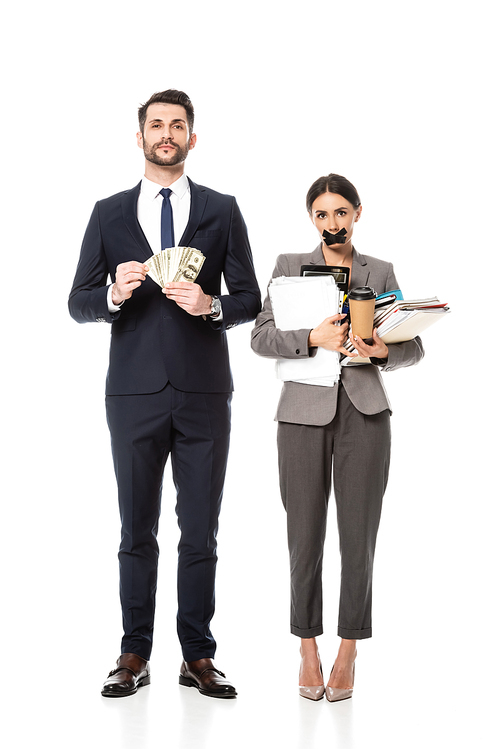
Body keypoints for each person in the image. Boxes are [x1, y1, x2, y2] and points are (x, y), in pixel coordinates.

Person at [69, 89, 261, 699]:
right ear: (140, 137)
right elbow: (77, 301)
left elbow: (251, 298)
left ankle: (197, 656)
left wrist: (212, 306)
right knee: (135, 530)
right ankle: (133, 651)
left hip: (205, 390)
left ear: (192, 138)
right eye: (157, 125)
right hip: (131, 393)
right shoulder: (107, 213)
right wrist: (112, 295)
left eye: (178, 125)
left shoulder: (222, 209)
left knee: (201, 529)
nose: (167, 134)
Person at [251, 174, 424, 702]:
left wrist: (381, 353)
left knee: (359, 539)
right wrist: (311, 338)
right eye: (322, 214)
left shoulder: (382, 271)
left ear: (357, 213)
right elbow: (260, 337)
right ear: (312, 219)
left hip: (366, 412)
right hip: (303, 413)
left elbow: (412, 346)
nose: (333, 222)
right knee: (304, 537)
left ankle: (348, 650)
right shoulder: (287, 267)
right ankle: (307, 646)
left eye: (341, 212)